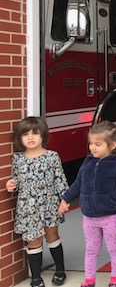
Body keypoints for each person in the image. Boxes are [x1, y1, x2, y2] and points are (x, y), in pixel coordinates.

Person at [59, 121, 116, 287]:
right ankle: (89, 280)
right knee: (91, 250)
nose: (93, 148)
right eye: (91, 143)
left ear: (112, 145)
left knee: (114, 249)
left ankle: (115, 280)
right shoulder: (87, 162)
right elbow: (78, 184)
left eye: (97, 144)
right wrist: (65, 199)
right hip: (90, 217)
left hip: (111, 216)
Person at [6, 117, 68, 287]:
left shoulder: (52, 156)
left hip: (49, 205)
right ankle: (35, 276)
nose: (30, 137)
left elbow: (60, 180)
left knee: (52, 235)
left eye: (35, 133)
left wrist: (64, 200)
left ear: (43, 136)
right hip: (28, 207)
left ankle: (60, 270)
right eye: (25, 134)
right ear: (20, 138)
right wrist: (11, 184)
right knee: (33, 240)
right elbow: (17, 180)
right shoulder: (17, 159)